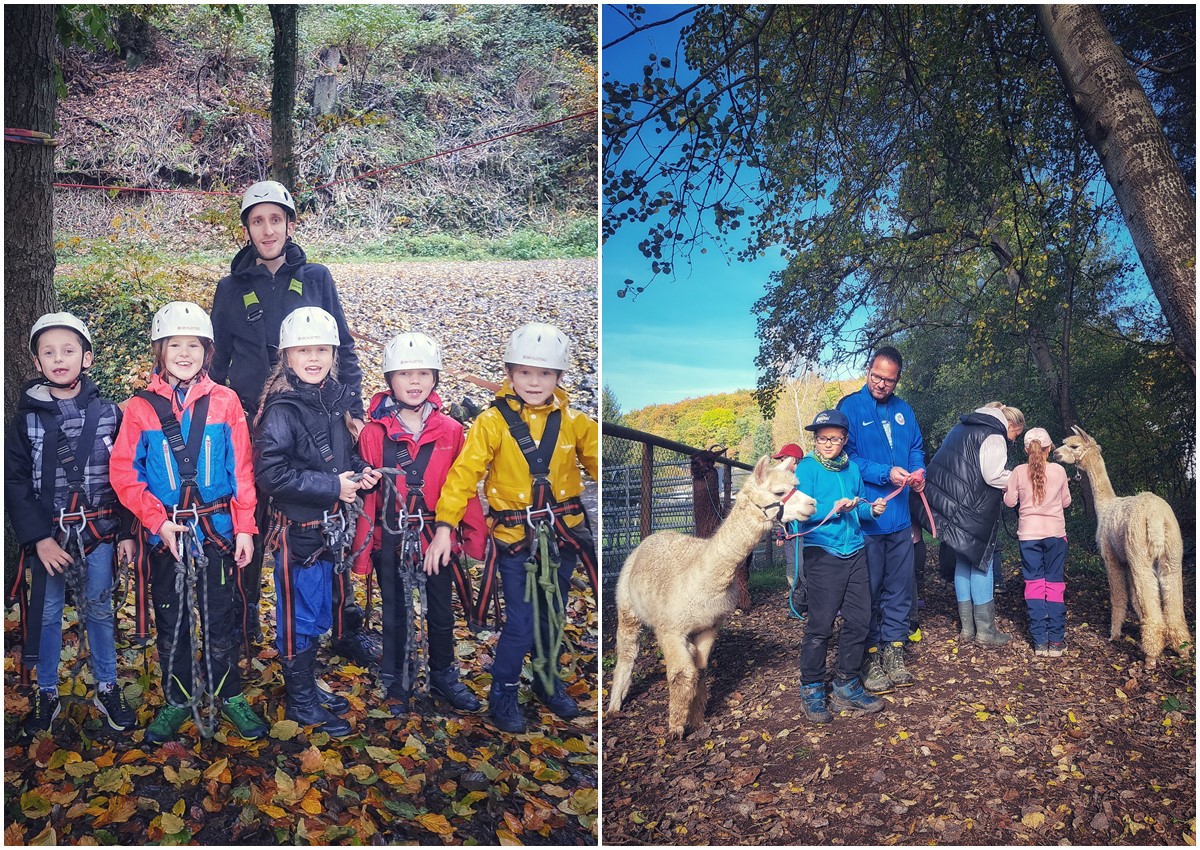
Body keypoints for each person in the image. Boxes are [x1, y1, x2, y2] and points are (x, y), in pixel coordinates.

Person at [209, 180, 374, 663]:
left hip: (318, 418)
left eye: (275, 219)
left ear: (290, 224)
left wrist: (354, 410)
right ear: (246, 229)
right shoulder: (231, 289)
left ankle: (342, 626)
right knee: (250, 525)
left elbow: (341, 347)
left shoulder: (316, 277)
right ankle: (242, 629)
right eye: (257, 220)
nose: (267, 229)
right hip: (250, 424)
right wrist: (215, 417)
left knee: (330, 520)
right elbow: (217, 362)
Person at [424, 322, 598, 734]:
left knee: (552, 614)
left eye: (543, 374)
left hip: (561, 538)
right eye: (524, 373)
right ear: (509, 374)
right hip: (516, 540)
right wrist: (446, 526)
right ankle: (502, 692)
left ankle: (546, 680)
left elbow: (597, 464)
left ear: (558, 377)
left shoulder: (575, 422)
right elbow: (464, 476)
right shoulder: (491, 423)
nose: (533, 382)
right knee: (521, 620)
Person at [110, 302, 268, 743]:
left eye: (193, 345)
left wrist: (244, 528)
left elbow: (242, 471)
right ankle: (178, 698)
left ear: (207, 350)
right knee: (172, 616)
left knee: (221, 615)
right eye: (175, 345)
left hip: (216, 530)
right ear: (160, 351)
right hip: (168, 535)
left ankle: (227, 692)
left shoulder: (226, 402)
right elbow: (125, 474)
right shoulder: (140, 409)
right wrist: (156, 521)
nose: (184, 353)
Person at [5, 313, 138, 737]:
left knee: (99, 610)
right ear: (37, 362)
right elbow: (15, 481)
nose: (59, 359)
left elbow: (126, 474)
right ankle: (46, 690)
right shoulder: (24, 421)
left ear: (88, 357)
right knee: (45, 614)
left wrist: (127, 533)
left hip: (99, 531)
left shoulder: (110, 414)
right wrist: (38, 539)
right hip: (51, 536)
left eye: (68, 350)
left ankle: (107, 685)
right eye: (49, 352)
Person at [253, 307, 382, 736]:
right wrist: (332, 486)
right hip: (299, 532)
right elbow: (270, 474)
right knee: (299, 615)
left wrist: (362, 471)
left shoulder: (336, 401)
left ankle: (307, 683)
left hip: (329, 530)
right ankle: (301, 701)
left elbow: (342, 455)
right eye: (303, 350)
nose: (313, 358)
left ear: (334, 354)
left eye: (322, 350)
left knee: (319, 609)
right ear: (286, 357)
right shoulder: (281, 410)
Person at [350, 332, 488, 715]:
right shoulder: (374, 434)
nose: (414, 383)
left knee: (441, 611)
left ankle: (444, 674)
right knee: (395, 610)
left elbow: (462, 487)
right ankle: (396, 679)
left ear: (435, 379)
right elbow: (369, 499)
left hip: (434, 535)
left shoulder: (451, 431)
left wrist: (473, 539)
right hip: (390, 536)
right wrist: (364, 553)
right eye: (405, 375)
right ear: (389, 380)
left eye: (424, 374)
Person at [837, 346, 926, 693]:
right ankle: (869, 655)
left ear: (897, 379)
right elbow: (848, 457)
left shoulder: (905, 410)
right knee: (869, 591)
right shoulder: (850, 407)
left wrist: (919, 471)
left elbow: (917, 447)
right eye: (876, 377)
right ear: (868, 371)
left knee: (900, 588)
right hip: (867, 518)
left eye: (889, 380)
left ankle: (894, 651)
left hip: (901, 519)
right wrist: (885, 472)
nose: (881, 385)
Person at [793, 409, 887, 725]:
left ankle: (846, 683)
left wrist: (871, 510)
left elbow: (857, 510)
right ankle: (812, 688)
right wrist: (831, 510)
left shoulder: (852, 470)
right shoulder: (807, 470)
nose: (828, 444)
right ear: (816, 440)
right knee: (820, 626)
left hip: (855, 551)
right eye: (822, 439)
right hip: (823, 552)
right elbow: (799, 513)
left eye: (834, 438)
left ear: (845, 439)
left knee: (860, 620)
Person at [920, 402, 1025, 647]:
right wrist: (1018, 478)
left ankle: (968, 629)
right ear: (1011, 424)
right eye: (1015, 435)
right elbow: (992, 475)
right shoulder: (994, 434)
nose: (1013, 441)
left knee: (963, 563)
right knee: (982, 564)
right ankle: (986, 632)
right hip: (974, 509)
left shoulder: (963, 426)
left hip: (951, 507)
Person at [1003, 427, 1071, 656]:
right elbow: (1066, 502)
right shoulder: (1060, 471)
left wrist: (1008, 491)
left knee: (1034, 584)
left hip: (1028, 536)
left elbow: (1010, 502)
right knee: (1054, 584)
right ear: (1049, 448)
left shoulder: (1018, 472)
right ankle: (1056, 642)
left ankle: (1040, 641)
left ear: (1025, 449)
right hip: (1055, 535)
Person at [772, 443, 807, 620]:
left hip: (803, 533)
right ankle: (797, 604)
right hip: (789, 533)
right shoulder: (784, 482)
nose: (781, 463)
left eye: (783, 459)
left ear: (792, 460)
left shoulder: (803, 479)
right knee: (792, 568)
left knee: (803, 569)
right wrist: (780, 533)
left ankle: (805, 603)